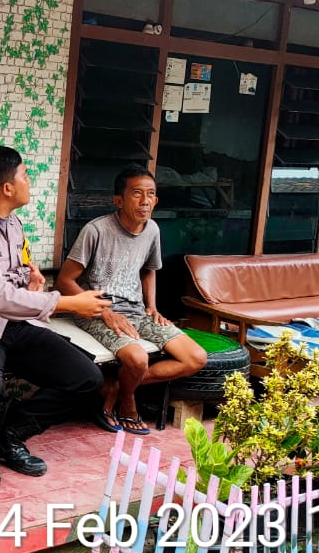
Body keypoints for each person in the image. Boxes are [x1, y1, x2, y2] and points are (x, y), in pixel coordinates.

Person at [0, 145, 114, 487]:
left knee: (86, 378)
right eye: (25, 176)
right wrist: (70, 304)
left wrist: (31, 282)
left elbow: (12, 278)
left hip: (11, 322)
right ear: (7, 188)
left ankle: (9, 433)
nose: (30, 182)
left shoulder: (12, 223)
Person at [56, 166, 207, 436]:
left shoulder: (152, 230)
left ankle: (117, 387)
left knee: (195, 358)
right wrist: (105, 312)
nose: (145, 201)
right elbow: (65, 281)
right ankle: (128, 401)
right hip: (95, 311)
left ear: (156, 200)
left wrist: (152, 306)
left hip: (137, 311)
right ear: (119, 200)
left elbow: (149, 270)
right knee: (137, 359)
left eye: (150, 194)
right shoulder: (96, 230)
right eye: (137, 193)